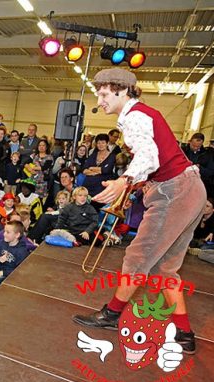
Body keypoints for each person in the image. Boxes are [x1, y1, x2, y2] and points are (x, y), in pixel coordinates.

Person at [73, 68, 206, 354]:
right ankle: (184, 333)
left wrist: (125, 180)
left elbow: (148, 155)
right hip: (189, 189)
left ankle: (111, 314)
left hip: (174, 191)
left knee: (137, 256)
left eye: (104, 93)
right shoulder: (146, 114)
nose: (100, 99)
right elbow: (158, 158)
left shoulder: (134, 116)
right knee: (165, 268)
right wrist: (136, 184)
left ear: (122, 91)